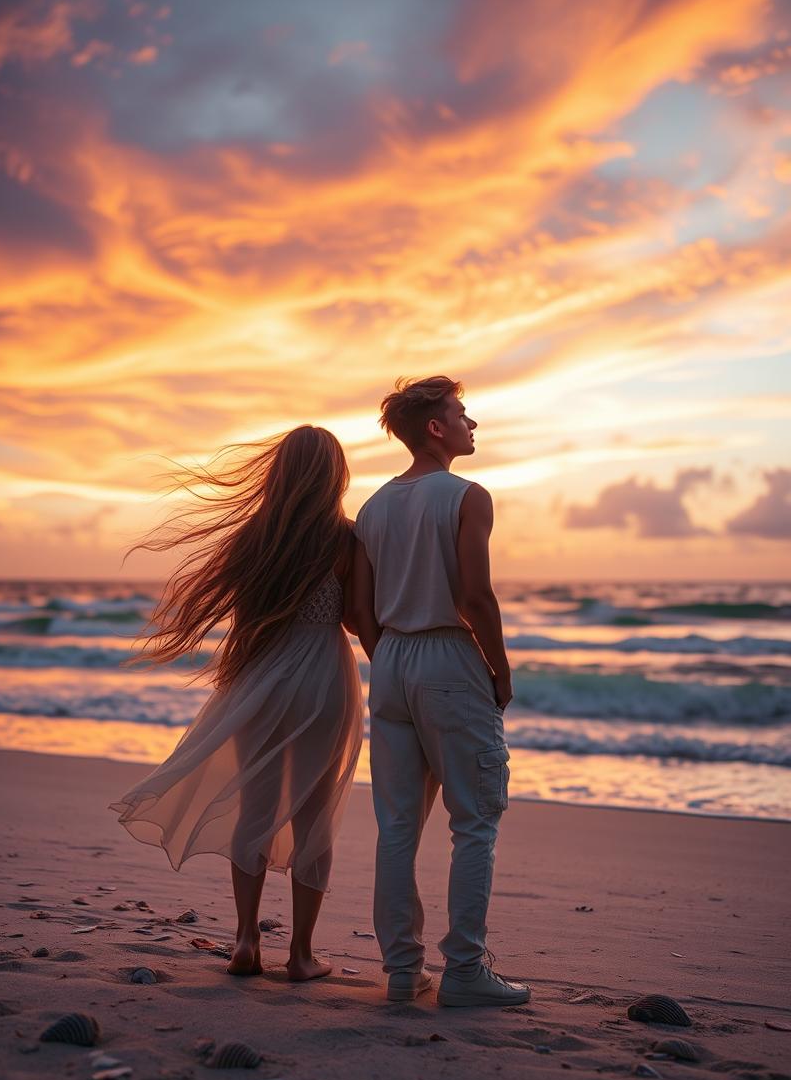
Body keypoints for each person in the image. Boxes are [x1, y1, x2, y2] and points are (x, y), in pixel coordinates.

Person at [109, 427, 363, 982]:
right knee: (314, 815)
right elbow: (360, 624)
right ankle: (300, 955)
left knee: (256, 807)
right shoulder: (345, 539)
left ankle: (246, 942)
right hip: (323, 681)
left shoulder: (255, 538)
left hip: (262, 680)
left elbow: (247, 622)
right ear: (335, 476)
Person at [353, 376, 531, 1007]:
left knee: (397, 826)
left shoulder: (373, 507)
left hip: (393, 658)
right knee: (475, 822)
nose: (471, 423)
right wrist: (499, 671)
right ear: (436, 428)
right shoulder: (466, 497)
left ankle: (402, 969)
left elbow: (359, 606)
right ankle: (463, 971)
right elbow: (474, 596)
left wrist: (390, 659)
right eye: (461, 413)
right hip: (448, 658)